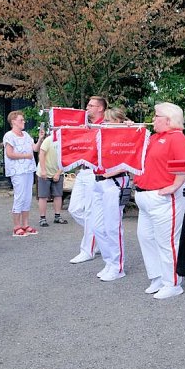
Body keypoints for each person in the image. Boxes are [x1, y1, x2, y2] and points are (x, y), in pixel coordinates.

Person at [134, 102, 185, 297]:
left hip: (163, 197)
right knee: (146, 238)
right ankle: (158, 277)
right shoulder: (154, 138)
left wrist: (174, 186)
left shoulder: (176, 138)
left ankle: (173, 282)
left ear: (168, 119)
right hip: (145, 195)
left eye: (156, 116)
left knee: (167, 241)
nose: (153, 119)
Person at [87, 107, 134, 282]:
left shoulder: (126, 134)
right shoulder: (102, 135)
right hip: (99, 181)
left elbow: (133, 158)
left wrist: (129, 128)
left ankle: (117, 266)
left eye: (109, 120)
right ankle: (109, 261)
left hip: (114, 182)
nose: (105, 123)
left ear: (119, 121)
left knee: (113, 226)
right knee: (98, 226)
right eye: (104, 120)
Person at [70, 96, 106, 264]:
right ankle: (100, 232)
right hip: (83, 170)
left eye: (91, 106)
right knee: (75, 209)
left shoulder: (106, 124)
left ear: (100, 108)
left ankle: (88, 249)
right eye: (88, 105)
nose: (87, 108)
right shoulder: (85, 124)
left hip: (95, 171)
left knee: (91, 212)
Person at [3, 110, 43, 236]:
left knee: (27, 197)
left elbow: (35, 148)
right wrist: (25, 156)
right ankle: (16, 226)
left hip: (28, 169)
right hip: (17, 171)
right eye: (21, 120)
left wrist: (41, 139)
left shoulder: (26, 135)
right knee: (19, 197)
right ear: (13, 121)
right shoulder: (9, 136)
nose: (23, 122)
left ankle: (25, 224)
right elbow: (9, 154)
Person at [37, 127, 68, 228]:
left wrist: (58, 173)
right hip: (44, 171)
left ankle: (57, 216)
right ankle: (42, 218)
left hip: (57, 171)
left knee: (58, 195)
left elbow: (66, 158)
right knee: (43, 196)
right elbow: (41, 154)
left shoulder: (65, 142)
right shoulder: (48, 140)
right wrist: (43, 170)